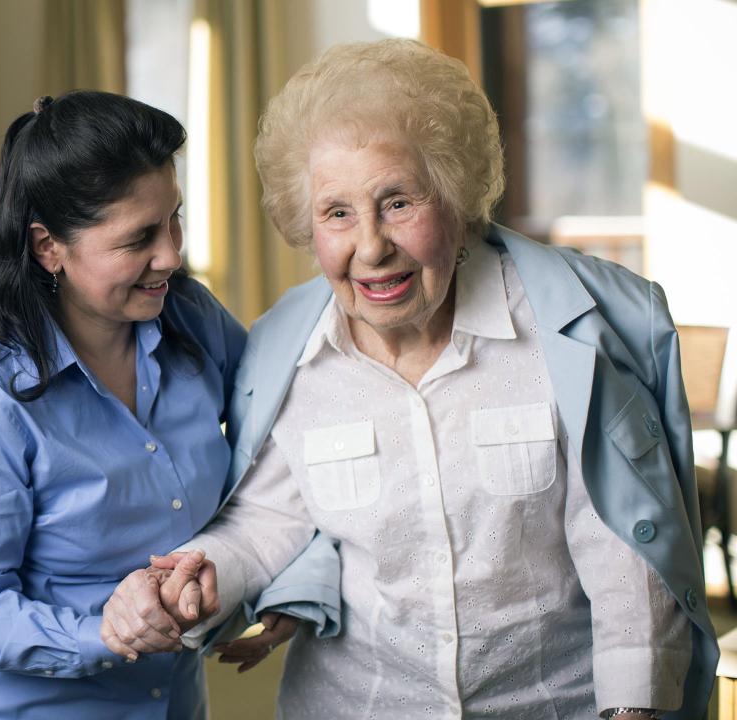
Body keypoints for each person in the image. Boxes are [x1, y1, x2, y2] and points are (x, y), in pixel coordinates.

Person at [113, 38, 717, 719]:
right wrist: (195, 575)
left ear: (456, 199)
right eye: (337, 213)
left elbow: (623, 555)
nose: (371, 247)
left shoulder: (558, 341)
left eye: (399, 202)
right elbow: (268, 517)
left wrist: (633, 711)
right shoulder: (293, 353)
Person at [0, 90, 330, 719]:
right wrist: (103, 631)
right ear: (49, 246)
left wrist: (293, 582)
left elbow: (288, 445)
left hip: (173, 702)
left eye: (175, 220)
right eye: (139, 239)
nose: (172, 254)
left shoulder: (192, 318)